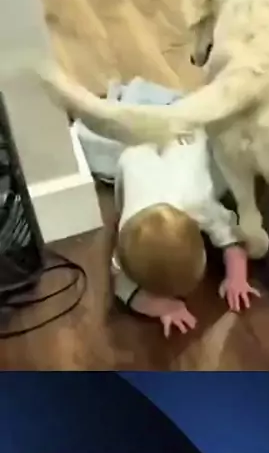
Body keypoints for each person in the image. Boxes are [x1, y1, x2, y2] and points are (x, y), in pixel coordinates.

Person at [73, 78, 259, 337]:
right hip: (140, 156)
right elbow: (122, 287)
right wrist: (162, 306)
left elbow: (231, 237)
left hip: (192, 136)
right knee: (124, 149)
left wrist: (237, 278)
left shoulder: (199, 203)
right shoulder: (128, 236)